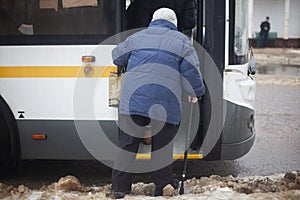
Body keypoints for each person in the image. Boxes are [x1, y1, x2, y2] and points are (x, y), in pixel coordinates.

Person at [111, 8, 205, 199]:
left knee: (127, 145)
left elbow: (117, 57)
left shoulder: (137, 37)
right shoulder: (182, 42)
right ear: (174, 23)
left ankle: (119, 188)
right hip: (165, 102)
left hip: (134, 101)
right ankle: (162, 187)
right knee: (161, 147)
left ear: (153, 20)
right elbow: (192, 71)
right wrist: (195, 92)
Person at [126, 0, 196, 35]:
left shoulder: (140, 2)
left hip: (143, 37)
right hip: (172, 39)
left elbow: (130, 20)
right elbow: (189, 23)